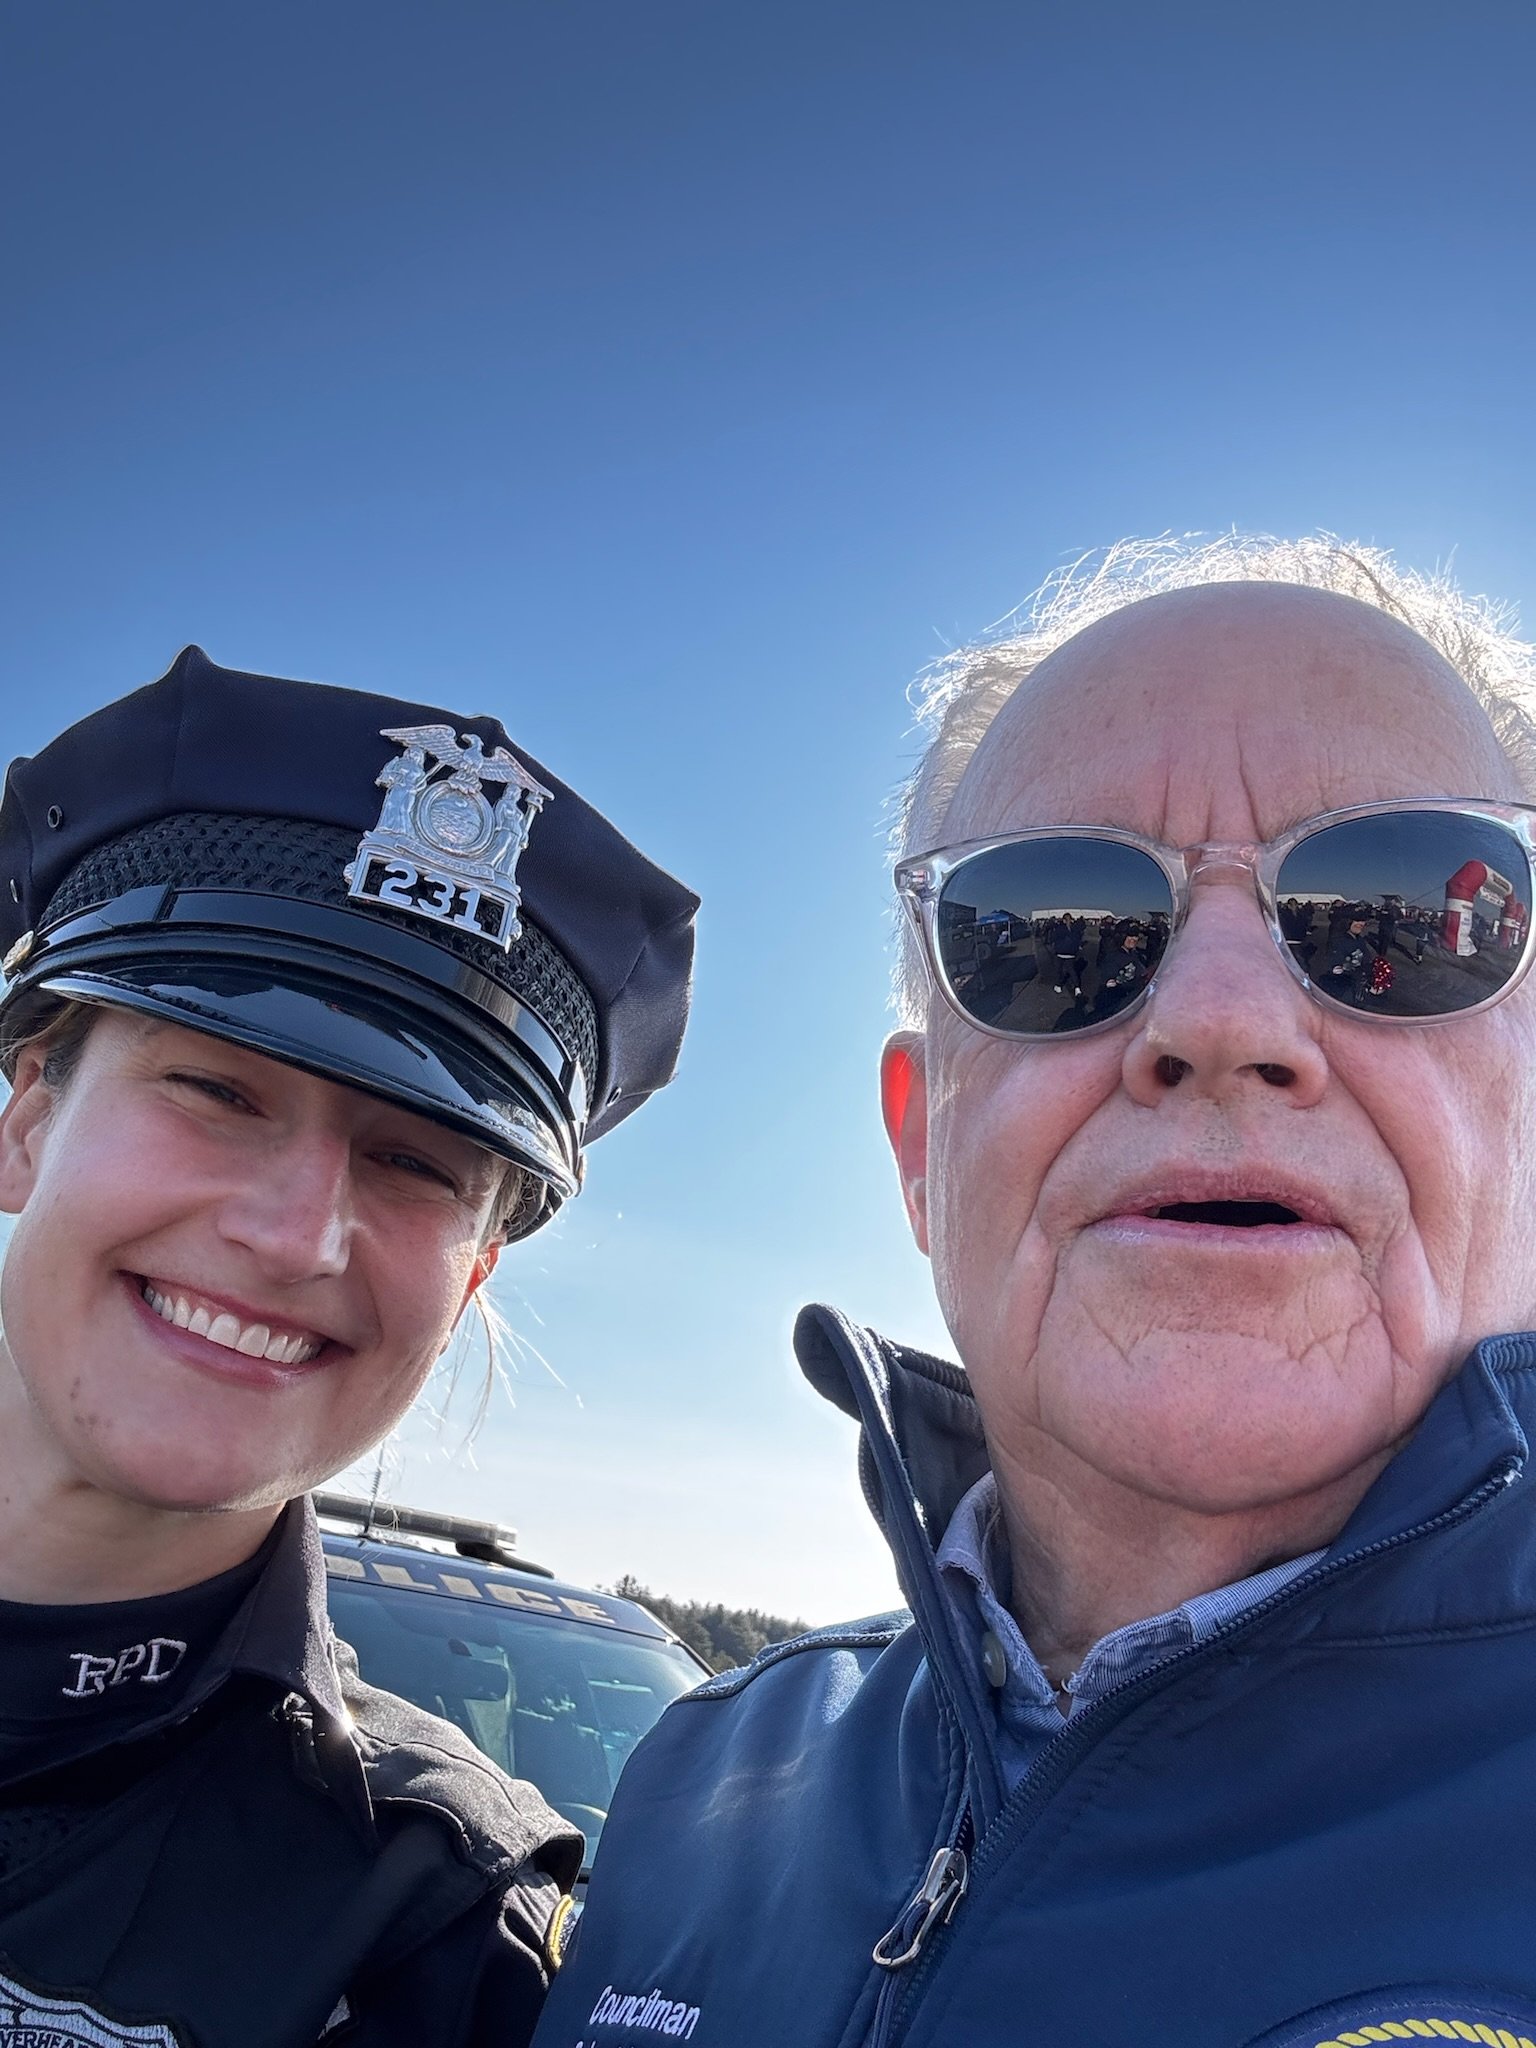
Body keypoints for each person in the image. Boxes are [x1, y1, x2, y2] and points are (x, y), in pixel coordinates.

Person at [535, 537, 1536, 2048]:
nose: (1218, 1020)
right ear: (919, 1148)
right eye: (1060, 932)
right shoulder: (695, 1794)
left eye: (1388, 912)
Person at [0, 646, 696, 2048]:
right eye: (215, 1087)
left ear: (474, 1274)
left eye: (417, 1164)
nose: (297, 1236)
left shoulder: (443, 1947)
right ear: (27, 1121)